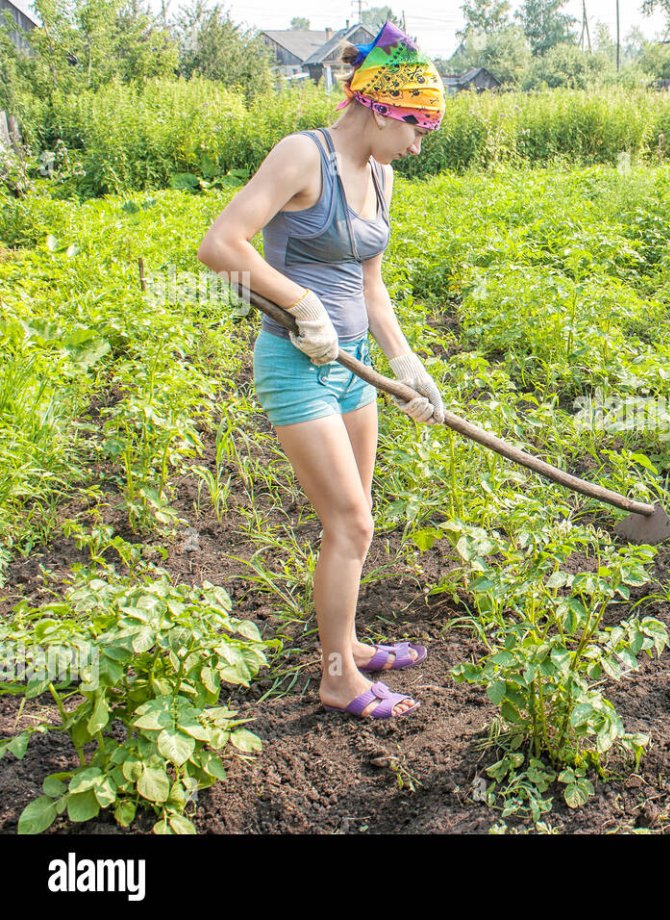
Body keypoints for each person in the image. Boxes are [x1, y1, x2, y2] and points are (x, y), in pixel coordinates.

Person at [197, 21, 447, 720]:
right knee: (351, 523)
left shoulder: (382, 175)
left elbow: (371, 286)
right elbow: (220, 245)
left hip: (355, 367)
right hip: (297, 363)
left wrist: (405, 361)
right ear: (377, 109)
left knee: (354, 520)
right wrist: (297, 299)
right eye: (415, 127)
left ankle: (351, 644)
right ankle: (338, 677)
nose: (418, 143)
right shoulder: (302, 156)